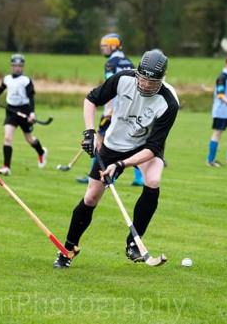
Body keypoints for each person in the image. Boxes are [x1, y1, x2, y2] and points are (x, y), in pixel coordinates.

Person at [53, 49, 179, 268]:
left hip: (144, 147)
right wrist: (90, 132)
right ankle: (68, 249)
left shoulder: (169, 102)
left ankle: (134, 243)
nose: (146, 84)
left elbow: (154, 147)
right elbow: (91, 99)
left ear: (162, 79)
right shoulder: (123, 79)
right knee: (91, 197)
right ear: (138, 73)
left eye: (153, 81)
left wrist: (121, 165)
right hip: (114, 144)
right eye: (144, 78)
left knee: (153, 180)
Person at [76, 33, 144, 186]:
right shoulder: (129, 61)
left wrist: (108, 112)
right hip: (131, 109)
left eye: (104, 46)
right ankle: (139, 178)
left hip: (115, 110)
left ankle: (94, 175)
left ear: (113, 46)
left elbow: (111, 90)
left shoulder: (111, 64)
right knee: (133, 142)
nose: (102, 49)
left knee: (98, 141)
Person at [0, 54, 47, 176]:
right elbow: (1, 88)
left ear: (22, 67)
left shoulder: (26, 80)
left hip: (24, 110)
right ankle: (6, 167)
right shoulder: (7, 79)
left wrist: (32, 113)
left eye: (20, 66)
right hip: (10, 110)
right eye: (15, 65)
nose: (17, 68)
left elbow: (31, 98)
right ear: (11, 66)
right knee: (7, 138)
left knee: (29, 139)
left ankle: (41, 152)